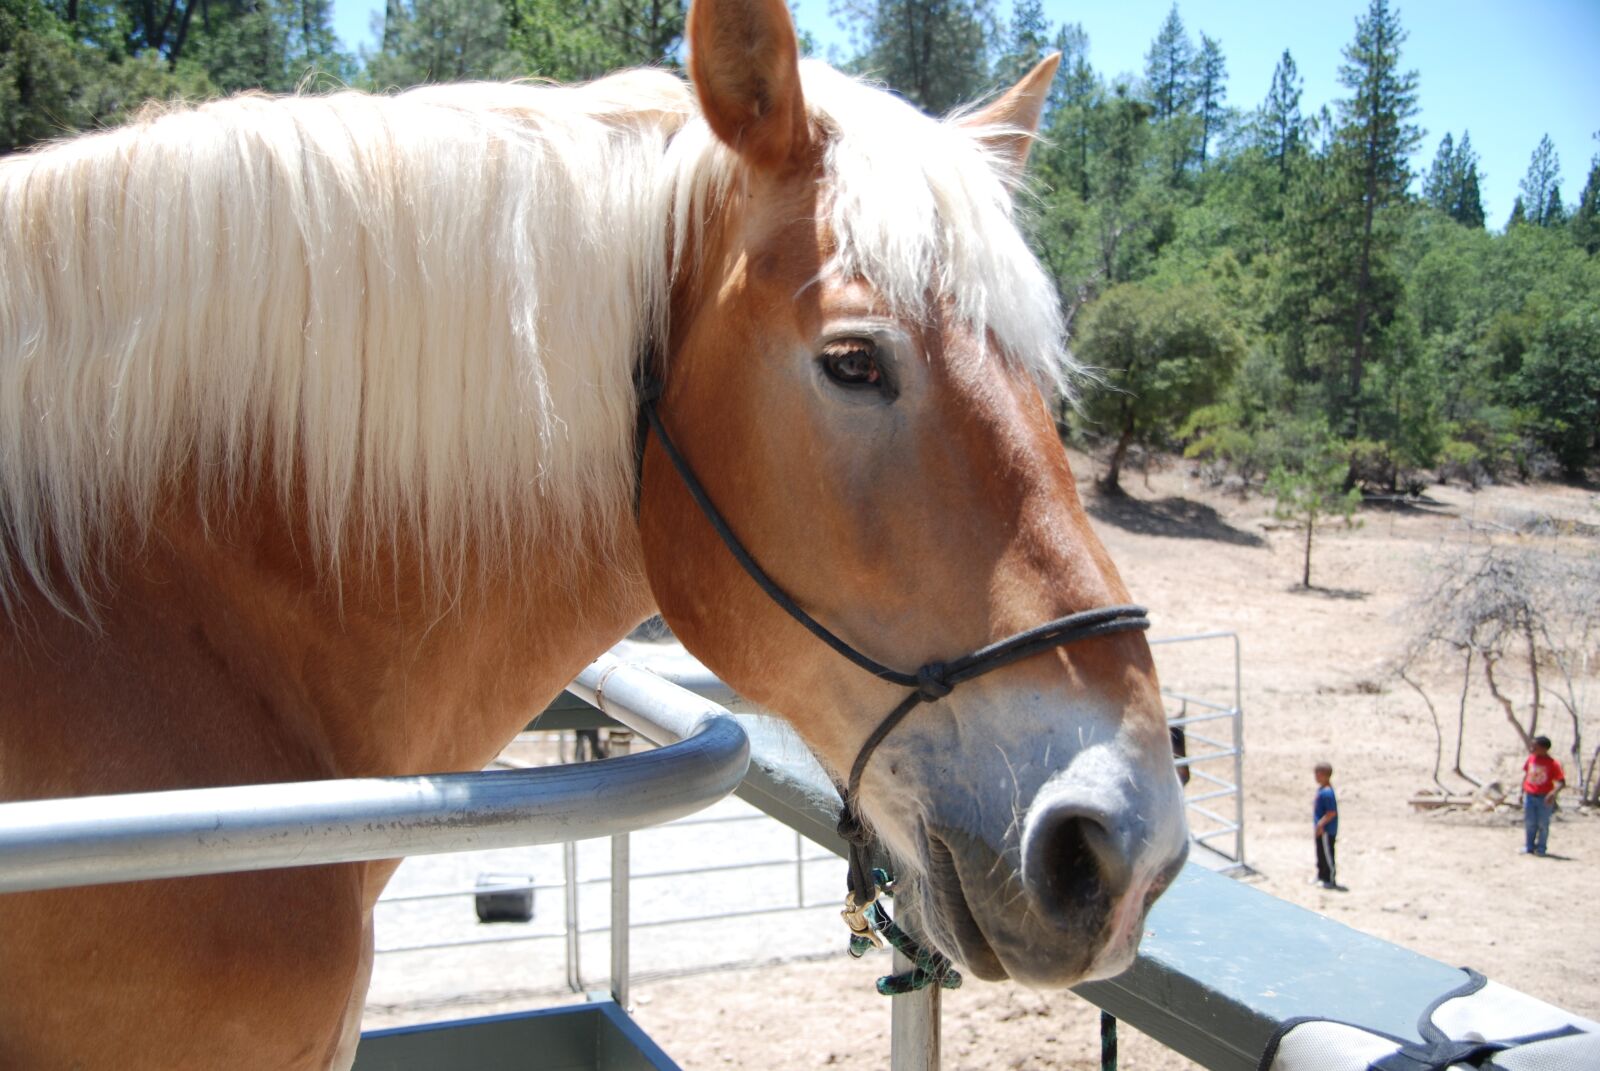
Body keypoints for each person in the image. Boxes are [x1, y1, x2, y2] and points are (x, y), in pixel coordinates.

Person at [1521, 735, 1565, 857]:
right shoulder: (1531, 759)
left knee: (1543, 824)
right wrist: (1522, 791)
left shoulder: (1553, 764)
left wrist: (1552, 793)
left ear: (1544, 748)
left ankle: (1541, 848)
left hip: (1544, 797)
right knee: (1530, 822)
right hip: (1530, 795)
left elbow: (1561, 782)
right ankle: (1529, 846)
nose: (1532, 748)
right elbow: (1526, 775)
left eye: (1535, 746)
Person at [1313, 762, 1339, 890]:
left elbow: (1331, 812)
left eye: (1317, 774)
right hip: (1320, 829)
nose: (1315, 776)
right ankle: (1321, 876)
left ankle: (1330, 879)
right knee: (1320, 853)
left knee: (1328, 854)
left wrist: (1321, 825)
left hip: (1327, 830)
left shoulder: (1328, 793)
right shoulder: (1321, 790)